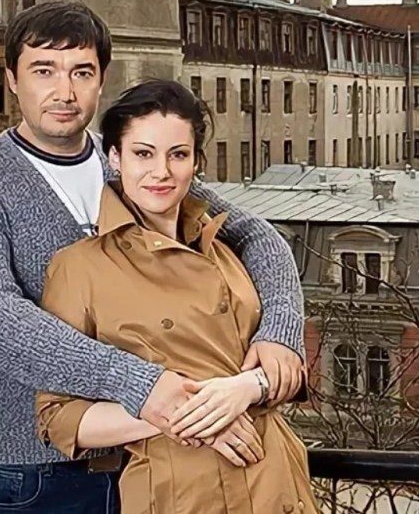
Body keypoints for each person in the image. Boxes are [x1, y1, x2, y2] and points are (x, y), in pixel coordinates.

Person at [0, 1, 306, 513]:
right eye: (44, 71)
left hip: (149, 460)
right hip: (31, 472)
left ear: (101, 79)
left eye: (81, 72)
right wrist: (143, 388)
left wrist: (279, 330)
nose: (64, 91)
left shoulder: (129, 159)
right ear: (12, 78)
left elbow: (256, 236)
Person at [35, 79, 317, 513]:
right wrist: (181, 414)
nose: (161, 172)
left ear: (196, 162)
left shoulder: (229, 248)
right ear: (115, 157)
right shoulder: (79, 267)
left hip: (277, 483)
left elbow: (288, 371)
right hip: (180, 494)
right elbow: (57, 417)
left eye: (178, 155)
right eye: (143, 154)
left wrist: (245, 388)